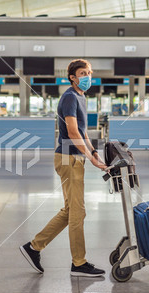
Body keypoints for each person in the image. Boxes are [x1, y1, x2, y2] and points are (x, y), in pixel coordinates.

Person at [20, 59, 108, 277]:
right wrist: (90, 157)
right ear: (72, 77)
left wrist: (94, 153)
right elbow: (72, 131)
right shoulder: (69, 97)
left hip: (75, 158)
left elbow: (84, 132)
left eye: (89, 72)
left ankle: (34, 247)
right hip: (69, 159)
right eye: (82, 73)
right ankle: (79, 263)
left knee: (71, 211)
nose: (87, 76)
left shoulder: (81, 96)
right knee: (78, 213)